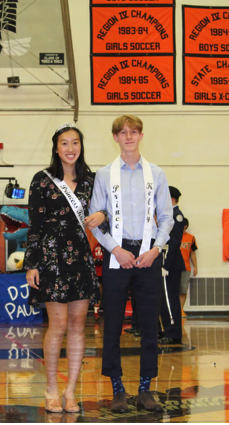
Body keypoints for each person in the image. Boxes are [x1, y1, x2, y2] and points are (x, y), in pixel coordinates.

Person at [88, 115, 174, 413]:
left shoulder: (157, 174)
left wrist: (155, 249)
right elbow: (94, 221)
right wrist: (116, 250)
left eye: (133, 132)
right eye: (122, 132)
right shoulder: (103, 175)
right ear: (115, 137)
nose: (128, 137)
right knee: (112, 323)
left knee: (149, 323)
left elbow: (166, 218)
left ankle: (146, 390)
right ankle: (118, 390)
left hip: (148, 254)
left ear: (141, 136)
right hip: (117, 255)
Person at [24, 123, 106, 413]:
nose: (70, 149)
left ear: (81, 146)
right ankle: (51, 389)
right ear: (56, 148)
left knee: (77, 328)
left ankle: (71, 391)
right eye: (64, 143)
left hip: (81, 260)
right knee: (56, 327)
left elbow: (107, 212)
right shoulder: (42, 180)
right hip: (50, 260)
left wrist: (102, 213)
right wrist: (32, 263)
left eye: (75, 143)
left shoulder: (93, 180)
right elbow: (34, 224)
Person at [159, 186, 186, 345]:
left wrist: (166, 266)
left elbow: (174, 244)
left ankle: (174, 333)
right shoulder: (169, 215)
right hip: (165, 261)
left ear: (171, 200)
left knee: (170, 299)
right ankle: (167, 330)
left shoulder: (177, 216)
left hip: (171, 263)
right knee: (164, 298)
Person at [179, 218, 198, 317]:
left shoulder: (191, 238)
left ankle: (180, 310)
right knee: (172, 291)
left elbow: (193, 253)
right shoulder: (172, 237)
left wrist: (195, 267)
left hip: (185, 268)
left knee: (183, 290)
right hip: (173, 269)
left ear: (185, 226)